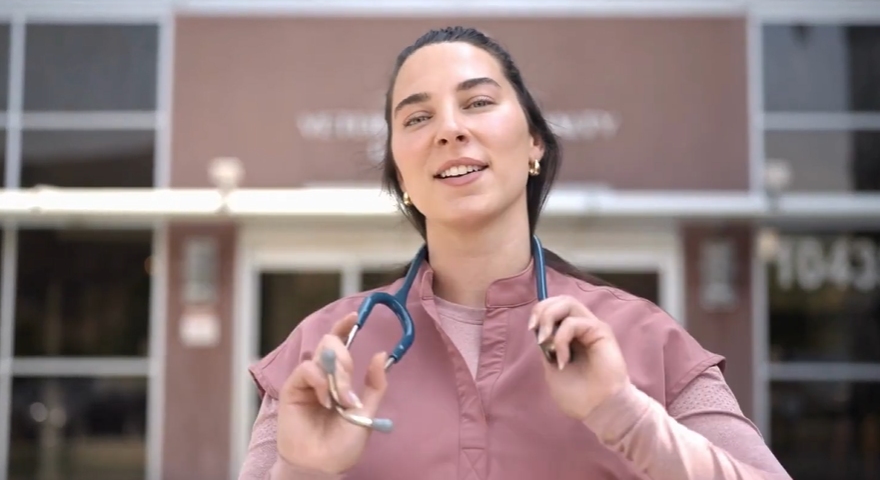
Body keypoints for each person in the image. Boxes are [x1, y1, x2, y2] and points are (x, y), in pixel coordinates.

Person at [239, 26, 792, 480]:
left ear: (534, 144)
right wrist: (301, 471)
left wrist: (623, 414)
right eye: (417, 117)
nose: (450, 129)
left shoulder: (647, 341)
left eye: (478, 102)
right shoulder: (321, 351)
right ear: (400, 173)